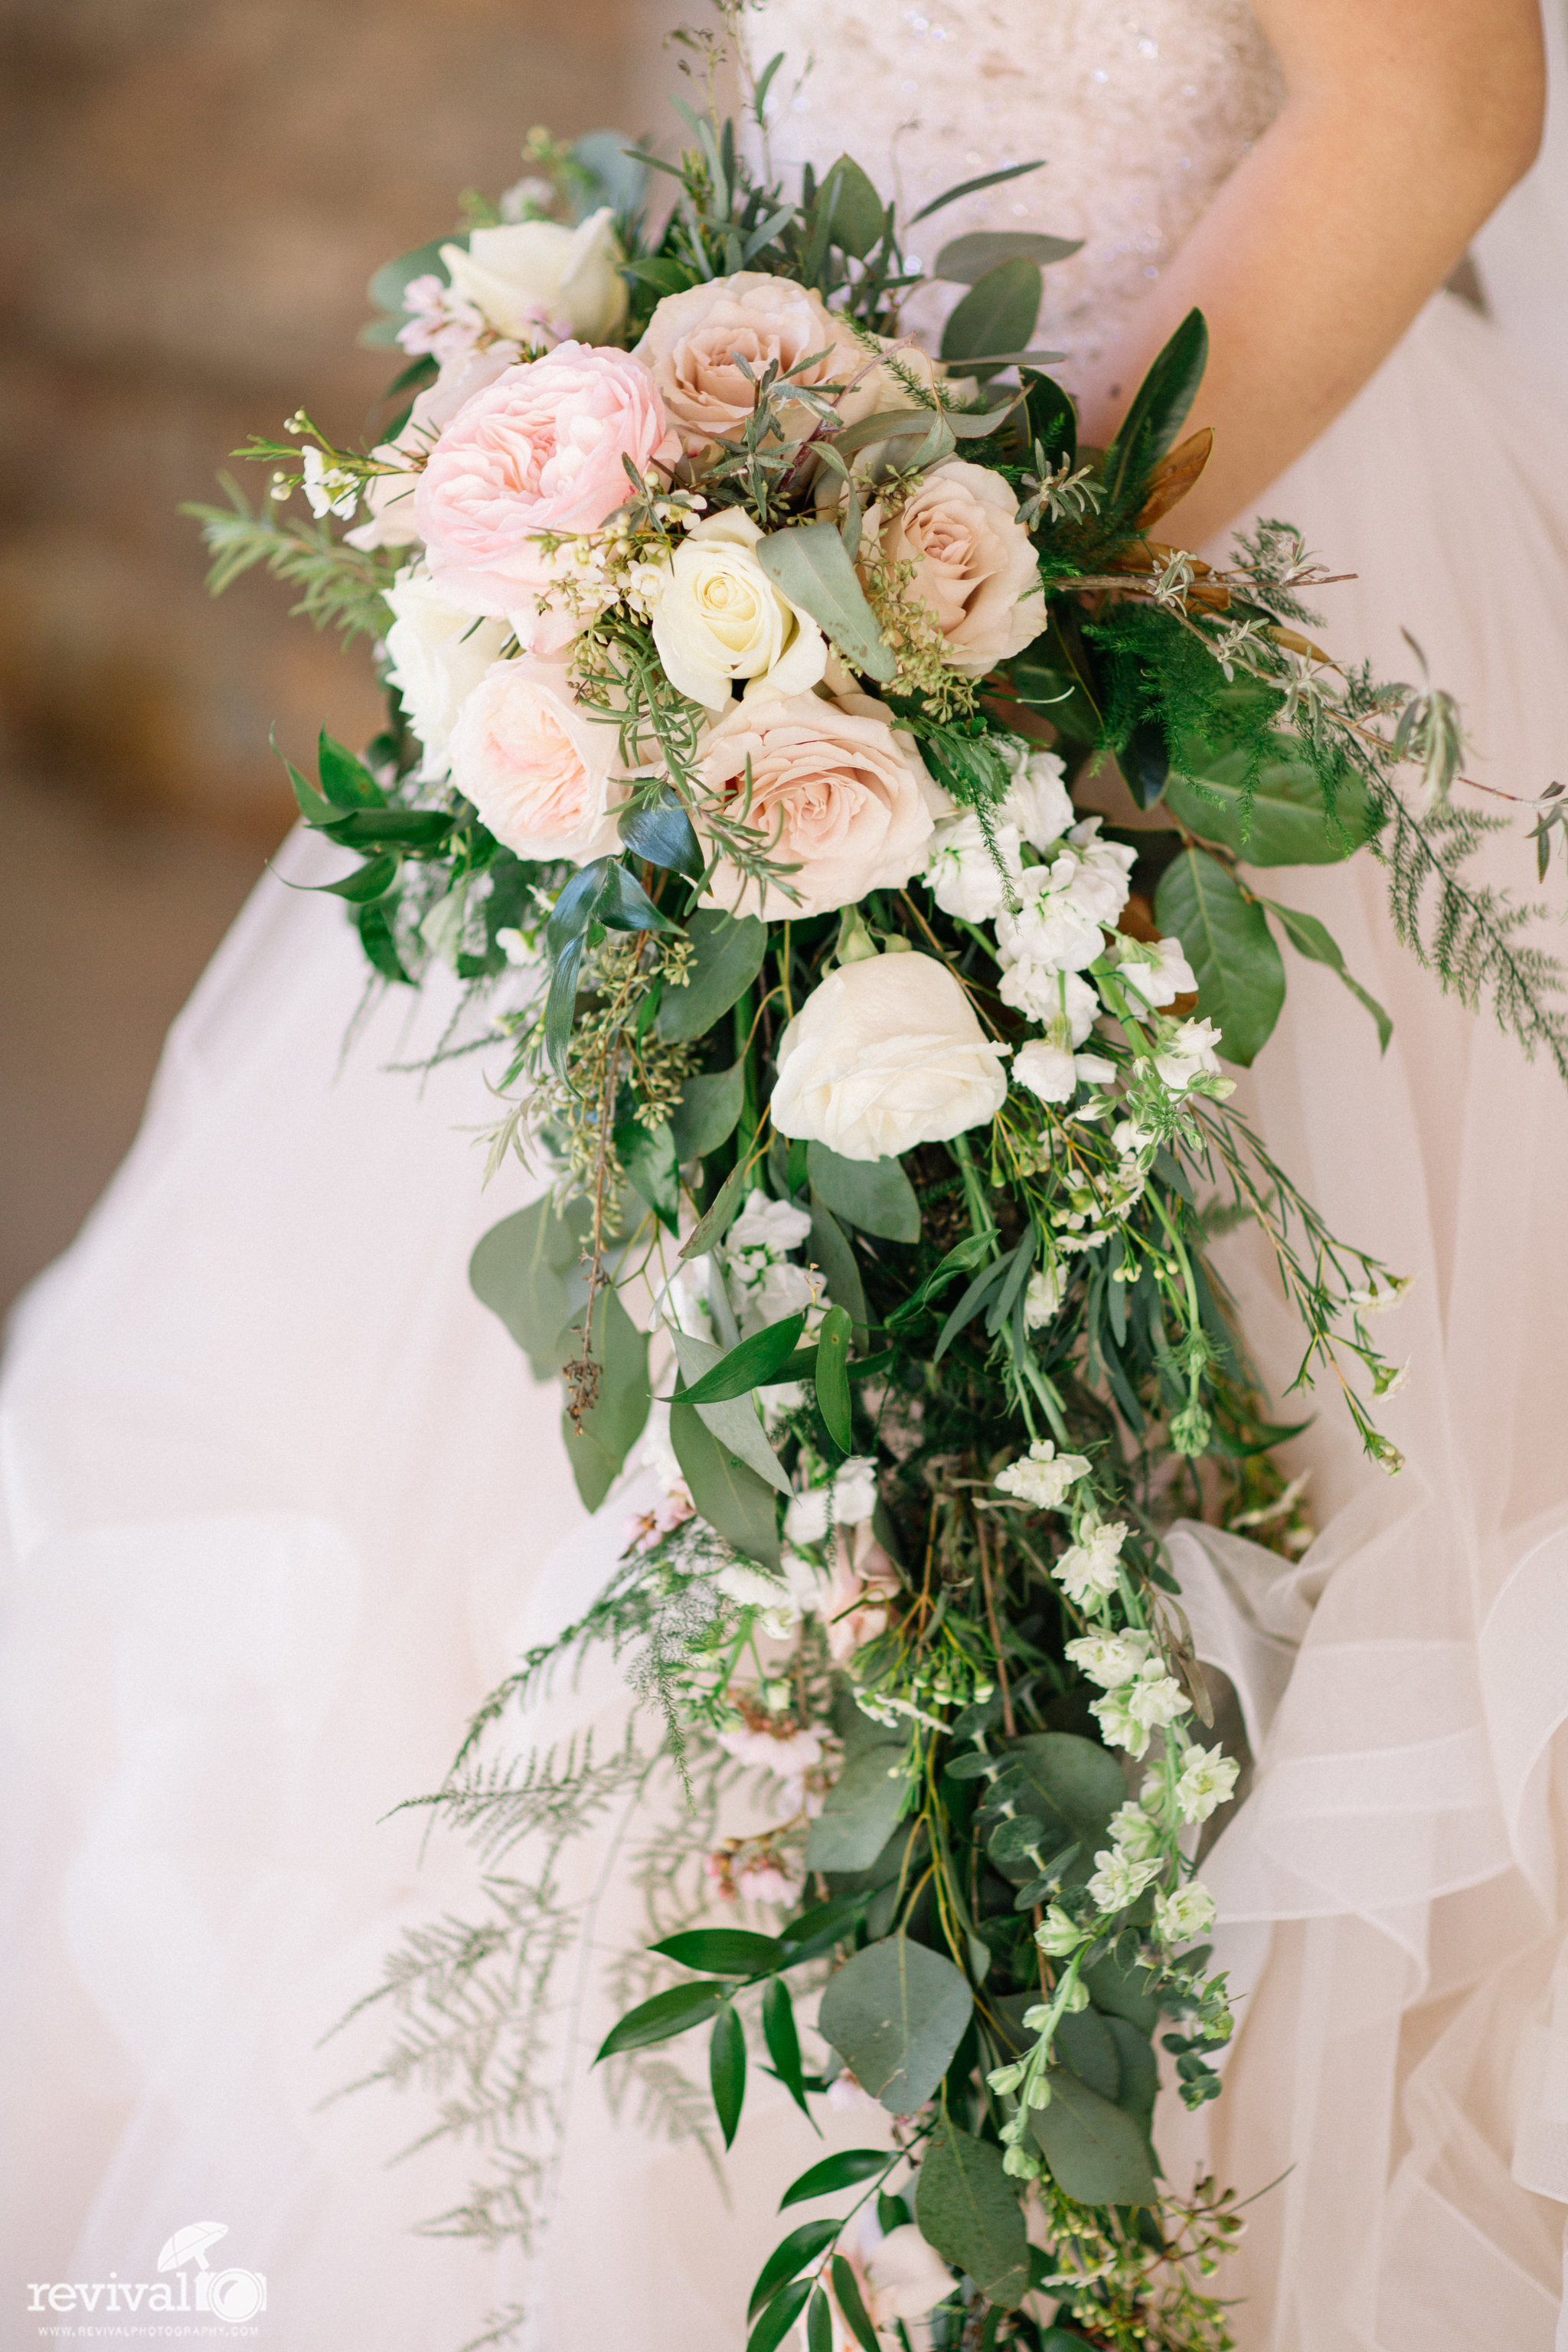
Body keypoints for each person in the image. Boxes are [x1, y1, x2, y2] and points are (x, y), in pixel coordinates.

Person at [1, 2, 1563, 2345]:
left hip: (1167, 532)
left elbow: (1436, 104)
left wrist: (969, 630)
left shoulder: (1037, 598)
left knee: (1141, 1527)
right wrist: (640, 444)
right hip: (767, 533)